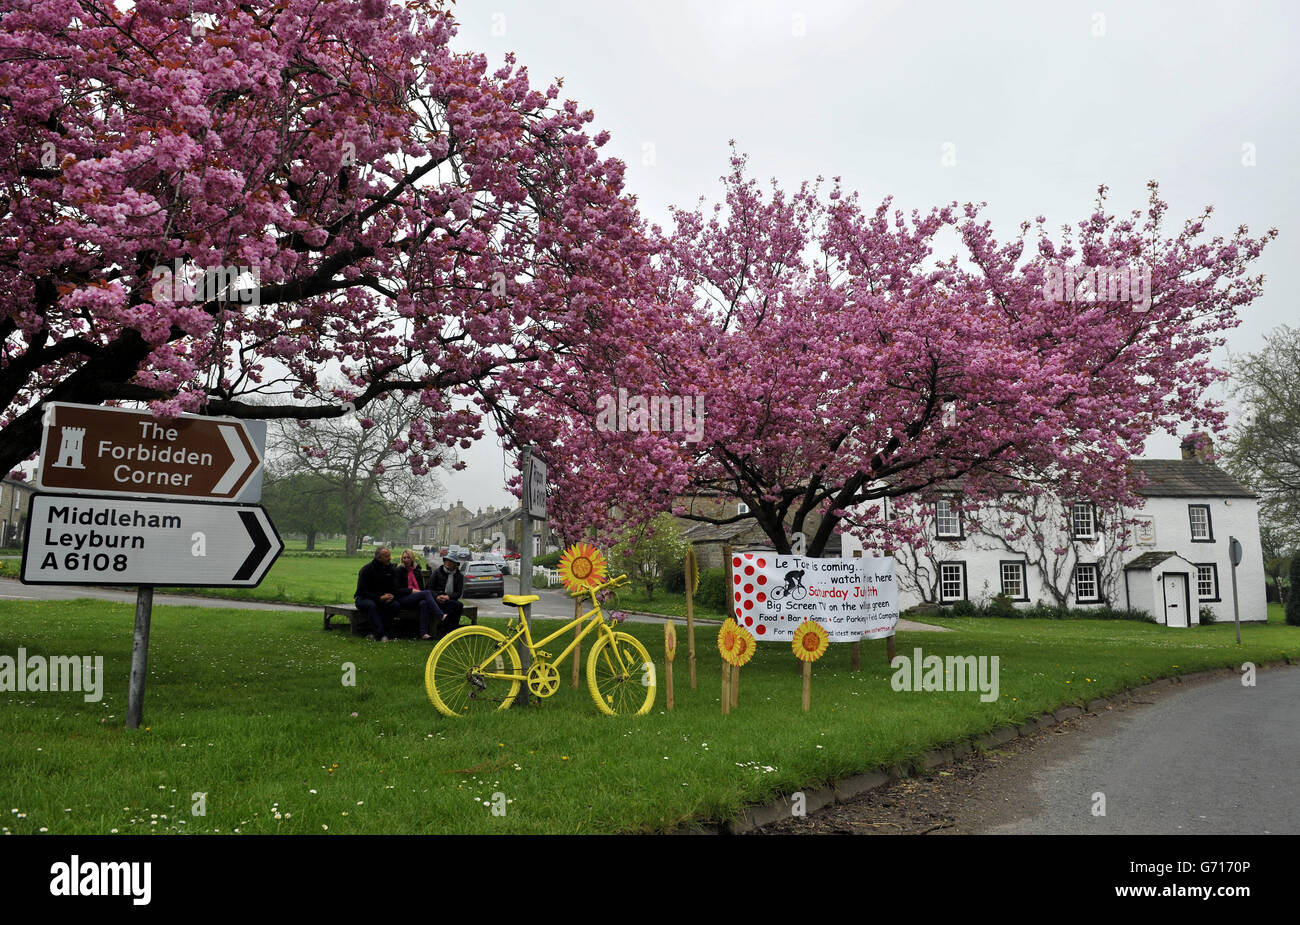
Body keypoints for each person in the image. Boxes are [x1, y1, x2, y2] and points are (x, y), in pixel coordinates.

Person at [396, 548, 444, 640]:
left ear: (412, 559)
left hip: (417, 598)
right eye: (404, 558)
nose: (405, 560)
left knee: (424, 603)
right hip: (403, 599)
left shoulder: (416, 572)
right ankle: (440, 615)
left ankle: (424, 633)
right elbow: (397, 590)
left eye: (408, 558)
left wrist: (418, 593)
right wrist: (411, 591)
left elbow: (421, 588)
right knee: (426, 593)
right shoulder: (399, 571)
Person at [355, 546, 401, 641]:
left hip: (383, 598)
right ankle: (381, 635)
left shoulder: (390, 569)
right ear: (379, 557)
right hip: (363, 598)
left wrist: (391, 595)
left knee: (395, 605)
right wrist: (379, 598)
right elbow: (362, 591)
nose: (390, 558)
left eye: (390, 556)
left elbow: (394, 586)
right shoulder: (366, 570)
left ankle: (377, 633)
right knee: (371, 605)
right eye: (386, 556)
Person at [428, 551, 468, 638]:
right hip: (437, 600)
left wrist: (448, 597)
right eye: (446, 560)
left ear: (455, 564)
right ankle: (450, 631)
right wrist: (437, 596)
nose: (448, 563)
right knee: (455, 606)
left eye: (450, 561)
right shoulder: (437, 572)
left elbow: (458, 593)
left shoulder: (459, 576)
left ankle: (449, 631)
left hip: (450, 600)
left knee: (457, 605)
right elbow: (429, 588)